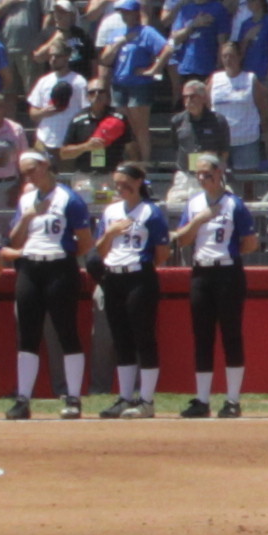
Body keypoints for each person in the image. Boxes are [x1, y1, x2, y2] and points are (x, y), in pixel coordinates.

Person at [0, 154, 87, 419]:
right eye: (24, 173)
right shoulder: (27, 199)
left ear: (45, 166)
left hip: (59, 265)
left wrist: (65, 255)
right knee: (27, 333)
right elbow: (14, 241)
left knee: (66, 331)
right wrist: (27, 217)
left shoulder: (68, 198)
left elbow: (85, 242)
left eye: (32, 170)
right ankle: (23, 398)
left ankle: (73, 397)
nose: (29, 177)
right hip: (30, 266)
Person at [172, 153, 256, 419]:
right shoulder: (195, 203)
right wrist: (200, 219)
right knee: (202, 336)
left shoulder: (234, 204)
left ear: (220, 173)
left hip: (227, 272)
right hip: (201, 273)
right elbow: (181, 240)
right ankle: (202, 399)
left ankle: (232, 399)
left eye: (207, 174)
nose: (202, 179)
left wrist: (227, 256)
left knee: (231, 334)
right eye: (198, 174)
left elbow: (250, 243)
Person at [88, 162, 169, 418]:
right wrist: (110, 233)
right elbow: (99, 251)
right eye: (118, 183)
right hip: (113, 275)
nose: (121, 188)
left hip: (139, 275)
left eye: (126, 183)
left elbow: (161, 253)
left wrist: (140, 268)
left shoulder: (150, 212)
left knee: (143, 337)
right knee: (120, 338)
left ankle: (146, 400)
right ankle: (124, 397)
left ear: (138, 183)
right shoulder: (111, 211)